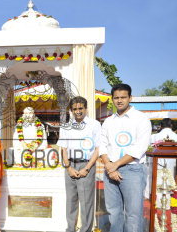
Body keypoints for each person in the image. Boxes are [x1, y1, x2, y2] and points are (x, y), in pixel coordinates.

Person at [100, 84, 151, 232]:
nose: (119, 101)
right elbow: (102, 145)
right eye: (116, 98)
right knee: (114, 213)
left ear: (130, 98)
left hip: (133, 170)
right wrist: (109, 166)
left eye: (123, 97)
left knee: (133, 215)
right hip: (110, 170)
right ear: (112, 99)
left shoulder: (141, 119)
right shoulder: (109, 121)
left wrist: (114, 165)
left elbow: (139, 148)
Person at [57, 96, 101, 232]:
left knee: (86, 202)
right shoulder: (66, 126)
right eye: (74, 109)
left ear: (86, 109)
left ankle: (86, 230)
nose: (78, 111)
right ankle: (70, 229)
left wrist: (87, 169)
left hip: (87, 165)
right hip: (70, 166)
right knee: (71, 202)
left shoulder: (94, 125)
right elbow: (63, 148)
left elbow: (98, 149)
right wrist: (68, 167)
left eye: (80, 108)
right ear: (71, 110)